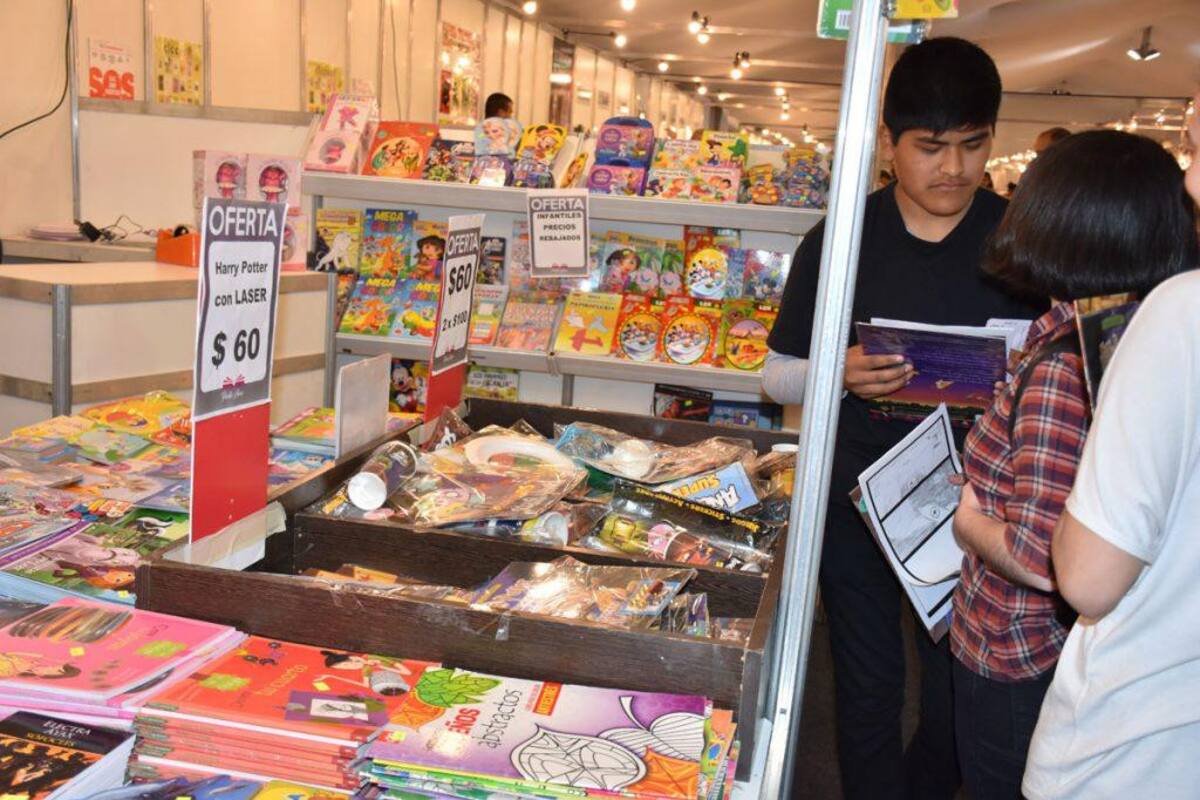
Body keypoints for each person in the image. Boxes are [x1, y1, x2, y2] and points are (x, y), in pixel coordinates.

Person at [762, 37, 1044, 800]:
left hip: (978, 511)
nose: (952, 168)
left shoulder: (1023, 244)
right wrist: (839, 374)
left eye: (972, 145)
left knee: (961, 701)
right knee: (865, 686)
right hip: (858, 500)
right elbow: (774, 371)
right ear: (888, 143)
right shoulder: (841, 239)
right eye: (930, 147)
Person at [949, 130, 1197, 800]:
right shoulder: (1119, 333)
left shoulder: (1068, 365)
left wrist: (967, 520)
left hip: (1012, 655)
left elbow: (1043, 560)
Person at [1022, 94, 1200, 800]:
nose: (1187, 175)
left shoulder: (1179, 316)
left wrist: (977, 518)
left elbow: (1090, 577)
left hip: (1140, 745)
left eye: (1193, 143)